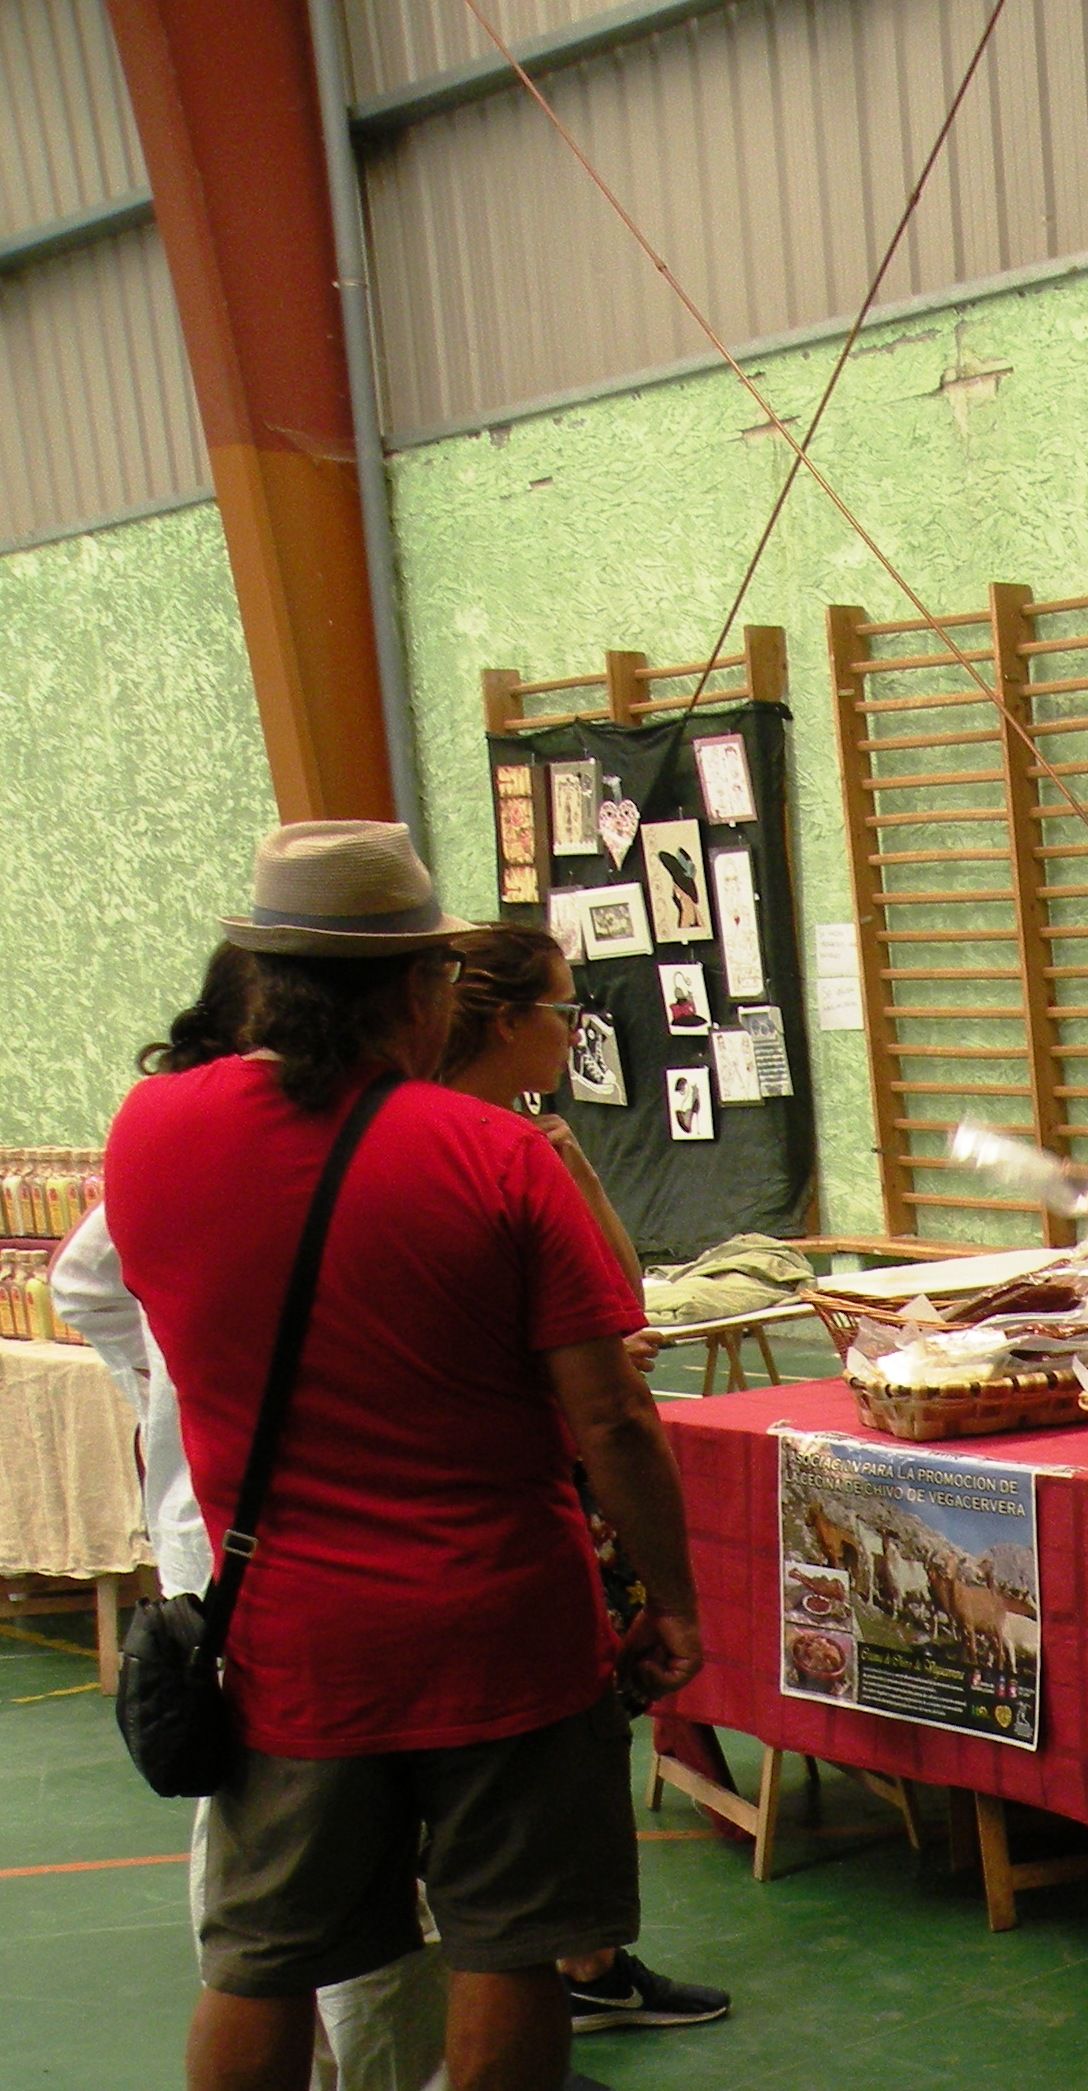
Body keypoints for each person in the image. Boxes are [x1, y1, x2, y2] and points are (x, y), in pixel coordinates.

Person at [100, 821, 701, 2091]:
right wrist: (673, 1598)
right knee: (507, 1950)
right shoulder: (496, 1155)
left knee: (263, 1961)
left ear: (265, 978)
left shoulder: (152, 1133)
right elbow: (612, 1416)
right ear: (423, 989)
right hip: (503, 1628)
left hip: (289, 1639)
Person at [55, 949, 453, 2091]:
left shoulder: (321, 1129)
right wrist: (174, 1384)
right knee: (298, 1853)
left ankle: (356, 2057)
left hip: (285, 1530)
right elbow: (87, 1283)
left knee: (295, 1855)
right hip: (241, 1542)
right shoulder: (192, 1144)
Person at [438, 926, 727, 2041]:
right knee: (529, 1788)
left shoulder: (529, 1138)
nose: (573, 1033)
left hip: (563, 1483)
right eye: (562, 1011)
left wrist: (581, 1168)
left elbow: (619, 1303)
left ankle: (594, 1959)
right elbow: (599, 1387)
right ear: (506, 1020)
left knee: (584, 1737)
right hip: (529, 1491)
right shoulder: (457, 1148)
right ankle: (557, 1971)